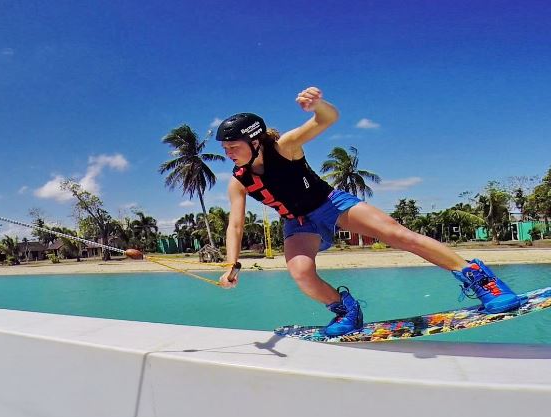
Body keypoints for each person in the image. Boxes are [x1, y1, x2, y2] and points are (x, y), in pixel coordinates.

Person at [216, 86, 522, 336]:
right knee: (302, 274)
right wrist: (232, 264)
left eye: (233, 146)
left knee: (399, 236)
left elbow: (327, 119)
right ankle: (346, 310)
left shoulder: (286, 147)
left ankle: (484, 282)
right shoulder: (239, 181)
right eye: (225, 149)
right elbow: (236, 226)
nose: (229, 153)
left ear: (255, 141)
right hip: (298, 224)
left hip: (330, 204)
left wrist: (318, 105)